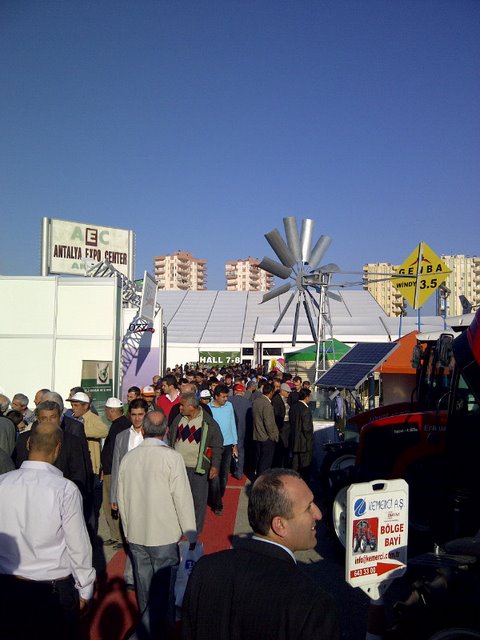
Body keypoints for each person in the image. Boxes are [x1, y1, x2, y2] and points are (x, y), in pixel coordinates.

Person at [182, 468, 339, 640]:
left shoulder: (205, 569)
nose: (318, 514)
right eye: (308, 507)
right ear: (280, 525)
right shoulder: (312, 604)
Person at [0, 422, 96, 640]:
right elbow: (77, 544)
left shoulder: (2, 483)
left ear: (28, 443)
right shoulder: (65, 489)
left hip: (6, 586)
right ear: (58, 447)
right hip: (51, 590)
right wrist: (85, 588)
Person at [118, 411, 197, 638]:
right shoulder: (172, 458)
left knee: (144, 588)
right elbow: (182, 498)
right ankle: (150, 632)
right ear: (167, 431)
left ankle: (156, 627)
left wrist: (127, 529)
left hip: (136, 533)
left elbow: (122, 498)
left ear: (143, 430)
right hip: (164, 534)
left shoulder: (129, 458)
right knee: (163, 588)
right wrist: (191, 533)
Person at [169, 392, 223, 531]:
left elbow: (217, 445)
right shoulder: (178, 418)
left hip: (198, 468)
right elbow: (171, 437)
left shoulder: (208, 422)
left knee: (198, 500)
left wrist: (215, 466)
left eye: (182, 405)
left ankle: (195, 530)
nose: (180, 408)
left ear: (192, 407)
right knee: (178, 498)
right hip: (179, 467)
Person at [101, 397, 131, 545]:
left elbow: (116, 452)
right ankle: (116, 536)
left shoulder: (120, 426)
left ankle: (119, 536)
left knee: (113, 504)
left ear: (112, 410)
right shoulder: (121, 424)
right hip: (110, 469)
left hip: (114, 471)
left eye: (106, 410)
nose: (105, 413)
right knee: (110, 504)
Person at [209, 384, 238, 515]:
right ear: (216, 396)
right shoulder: (208, 408)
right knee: (214, 474)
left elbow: (232, 424)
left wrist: (235, 443)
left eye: (227, 396)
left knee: (224, 476)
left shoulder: (229, 406)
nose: (226, 399)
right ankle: (217, 504)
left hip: (228, 444)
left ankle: (217, 496)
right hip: (214, 446)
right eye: (223, 397)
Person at [252, 382, 279, 475]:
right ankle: (262, 479)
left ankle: (258, 476)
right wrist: (273, 436)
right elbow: (269, 423)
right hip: (266, 437)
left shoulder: (256, 402)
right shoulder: (267, 405)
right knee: (265, 462)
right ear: (271, 392)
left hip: (257, 435)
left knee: (258, 459)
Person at [289, 388, 314, 483]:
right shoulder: (306, 410)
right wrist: (310, 440)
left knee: (294, 466)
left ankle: (293, 483)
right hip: (304, 443)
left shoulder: (293, 407)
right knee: (304, 468)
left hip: (294, 441)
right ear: (306, 397)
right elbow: (307, 428)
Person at [229, 383, 252, 480]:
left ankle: (230, 467)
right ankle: (239, 471)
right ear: (243, 392)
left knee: (228, 449)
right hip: (243, 429)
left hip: (229, 429)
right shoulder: (248, 402)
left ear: (234, 391)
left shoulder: (228, 401)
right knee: (241, 450)